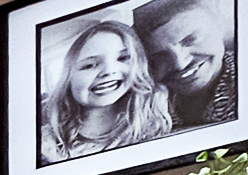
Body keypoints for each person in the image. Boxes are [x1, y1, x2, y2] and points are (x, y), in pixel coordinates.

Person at [40, 18, 171, 161]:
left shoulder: (155, 122)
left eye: (123, 58)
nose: (108, 71)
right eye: (89, 65)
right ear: (67, 80)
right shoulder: (46, 143)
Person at [135, 0, 236, 130]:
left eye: (192, 39)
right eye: (159, 56)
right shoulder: (142, 108)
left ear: (220, 27)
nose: (180, 64)